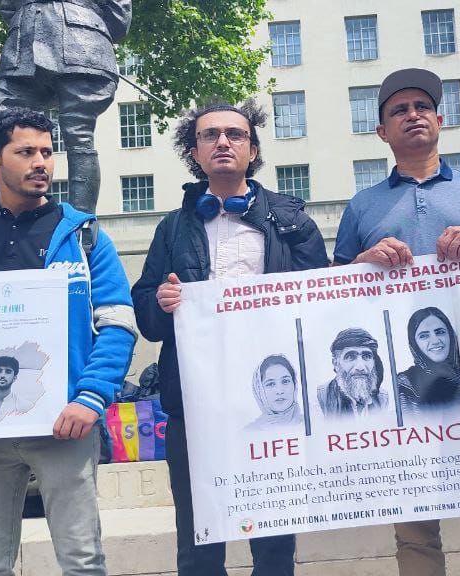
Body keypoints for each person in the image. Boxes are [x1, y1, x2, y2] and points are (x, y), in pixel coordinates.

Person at [0, 107, 137, 576]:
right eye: (26, 152)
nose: (41, 163)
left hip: (65, 425)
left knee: (83, 563)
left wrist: (91, 397)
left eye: (48, 152)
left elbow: (117, 324)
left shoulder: (87, 237)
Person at [332, 67, 460, 576]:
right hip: (404, 395)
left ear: (441, 120)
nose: (413, 115)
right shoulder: (362, 206)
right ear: (382, 132)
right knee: (415, 529)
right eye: (399, 110)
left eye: (422, 106)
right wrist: (364, 260)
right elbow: (335, 288)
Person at [132, 99, 326, 576]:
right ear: (194, 152)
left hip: (273, 401)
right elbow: (146, 314)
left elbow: (320, 305)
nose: (223, 142)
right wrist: (161, 302)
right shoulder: (172, 227)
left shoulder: (292, 222)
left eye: (235, 134)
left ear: (252, 149)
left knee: (275, 542)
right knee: (198, 542)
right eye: (210, 135)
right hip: (196, 402)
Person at [0, 0, 132, 215]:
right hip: (24, 48)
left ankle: (81, 224)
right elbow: (9, 8)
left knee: (78, 133)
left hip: (83, 47)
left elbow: (119, 17)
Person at [396, 307, 460, 418]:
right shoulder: (405, 384)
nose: (435, 341)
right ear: (414, 343)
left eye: (440, 332)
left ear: (450, 336)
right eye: (424, 336)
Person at [318, 327, 389, 419]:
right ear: (335, 363)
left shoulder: (382, 398)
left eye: (367, 356)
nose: (360, 367)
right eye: (350, 356)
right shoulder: (320, 398)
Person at [246, 355, 302, 431]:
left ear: (295, 384)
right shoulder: (248, 433)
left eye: (285, 381)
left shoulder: (312, 425)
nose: (280, 391)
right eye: (271, 384)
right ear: (259, 390)